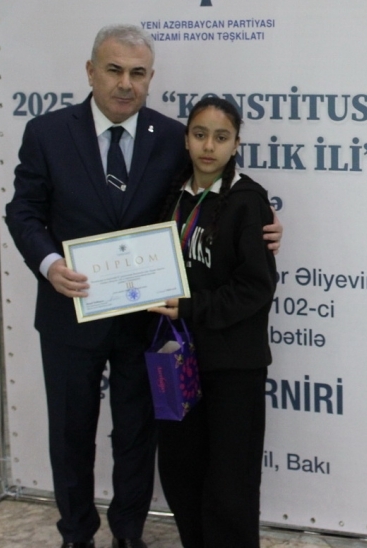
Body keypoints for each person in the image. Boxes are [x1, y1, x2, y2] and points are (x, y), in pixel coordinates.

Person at [5, 25, 282, 548]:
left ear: (151, 78)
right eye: (114, 70)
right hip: (70, 313)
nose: (125, 83)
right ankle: (76, 533)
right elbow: (23, 210)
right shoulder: (47, 133)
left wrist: (265, 225)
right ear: (90, 71)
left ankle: (128, 533)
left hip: (145, 318)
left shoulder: (173, 137)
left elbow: (214, 191)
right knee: (70, 432)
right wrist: (48, 263)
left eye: (137, 73)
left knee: (136, 432)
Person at [147, 96, 276, 548]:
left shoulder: (248, 202)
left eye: (221, 137)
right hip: (177, 360)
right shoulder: (171, 197)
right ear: (186, 139)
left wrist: (190, 307)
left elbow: (255, 289)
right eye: (200, 134)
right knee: (181, 472)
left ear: (236, 144)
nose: (208, 146)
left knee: (230, 483)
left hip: (233, 366)